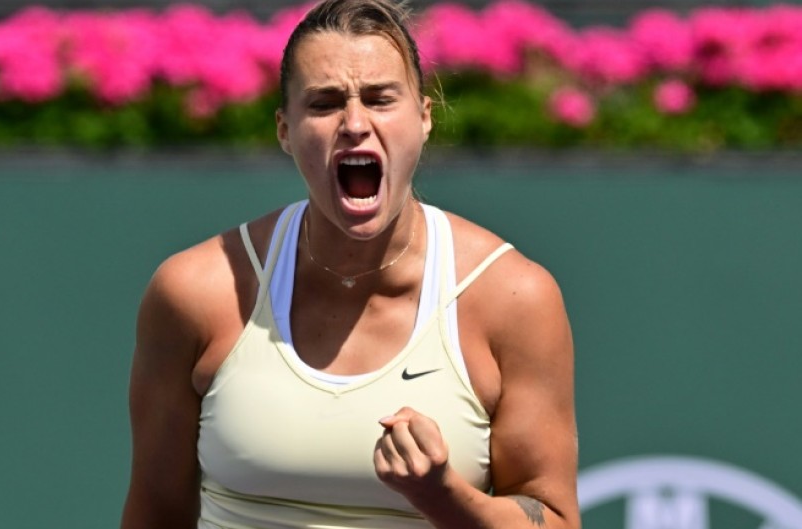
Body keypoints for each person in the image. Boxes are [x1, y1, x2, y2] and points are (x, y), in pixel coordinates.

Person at [121, 0, 579, 527]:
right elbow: (154, 512)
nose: (355, 123)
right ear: (284, 130)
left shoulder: (514, 296)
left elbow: (555, 517)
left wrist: (444, 496)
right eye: (324, 104)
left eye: (382, 99)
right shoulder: (195, 291)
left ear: (424, 118)